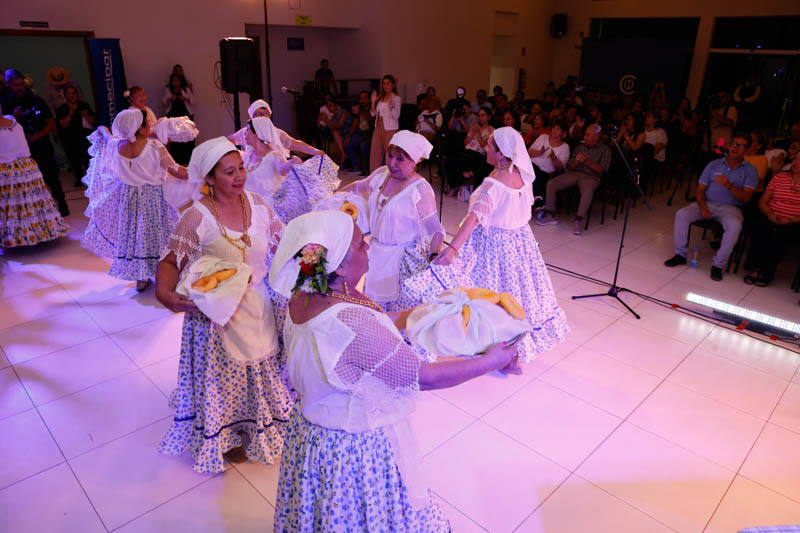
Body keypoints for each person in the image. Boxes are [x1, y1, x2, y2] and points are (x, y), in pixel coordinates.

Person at [268, 210, 521, 531]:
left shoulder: (304, 293)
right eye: (361, 244)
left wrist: (428, 313)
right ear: (340, 266)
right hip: (350, 450)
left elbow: (378, 320)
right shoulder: (351, 323)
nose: (368, 247)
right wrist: (491, 361)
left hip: (312, 437)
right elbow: (422, 377)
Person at [156, 137, 294, 474]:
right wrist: (164, 293)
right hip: (216, 315)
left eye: (241, 168)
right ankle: (227, 433)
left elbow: (285, 241)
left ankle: (259, 422)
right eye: (229, 172)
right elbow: (171, 260)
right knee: (226, 378)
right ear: (209, 179)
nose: (239, 177)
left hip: (259, 304)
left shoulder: (258, 204)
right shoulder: (197, 217)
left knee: (261, 366)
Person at [409, 127, 568, 371]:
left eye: (490, 145)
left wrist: (452, 250)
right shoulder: (524, 175)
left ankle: (491, 349)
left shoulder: (495, 182)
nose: (485, 147)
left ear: (502, 153)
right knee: (516, 295)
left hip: (493, 245)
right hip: (521, 243)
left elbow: (474, 219)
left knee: (487, 294)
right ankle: (510, 350)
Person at [338, 131, 444, 312]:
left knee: (397, 312)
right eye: (390, 156)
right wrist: (334, 196)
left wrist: (434, 260)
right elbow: (358, 186)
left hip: (403, 260)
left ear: (416, 161)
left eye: (400, 159)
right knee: (374, 307)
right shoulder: (382, 174)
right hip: (376, 253)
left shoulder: (420, 190)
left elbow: (436, 231)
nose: (392, 163)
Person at [81, 109, 186, 291]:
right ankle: (165, 275)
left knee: (138, 237)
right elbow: (176, 170)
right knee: (160, 236)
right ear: (141, 128)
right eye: (147, 124)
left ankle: (142, 276)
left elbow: (106, 135)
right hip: (154, 200)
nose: (150, 127)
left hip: (129, 200)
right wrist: (203, 171)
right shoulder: (155, 147)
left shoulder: (117, 145)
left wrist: (103, 128)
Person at [664, 131, 758, 281]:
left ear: (746, 150)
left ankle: (718, 265)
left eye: (740, 146)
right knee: (682, 214)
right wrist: (702, 206)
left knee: (735, 226)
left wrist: (729, 185)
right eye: (733, 144)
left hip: (731, 208)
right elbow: (700, 189)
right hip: (706, 202)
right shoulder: (714, 164)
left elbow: (746, 197)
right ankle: (680, 255)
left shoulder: (750, 170)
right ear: (728, 145)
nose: (735, 148)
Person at [1, 69, 69, 216]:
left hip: (41, 145)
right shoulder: (5, 102)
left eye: (21, 84)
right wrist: (14, 117)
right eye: (15, 85)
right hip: (18, 152)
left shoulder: (36, 100)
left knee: (51, 176)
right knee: (28, 182)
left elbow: (50, 123)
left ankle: (62, 203)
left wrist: (36, 137)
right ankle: (36, 211)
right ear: (8, 85)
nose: (19, 88)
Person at [0, 114, 68, 247]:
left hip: (7, 171)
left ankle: (18, 237)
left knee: (14, 205)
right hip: (26, 167)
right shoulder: (15, 123)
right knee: (31, 204)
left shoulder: (12, 123)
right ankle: (40, 233)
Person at [537, 124, 611, 235]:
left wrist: (586, 161)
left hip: (591, 177)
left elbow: (601, 170)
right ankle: (550, 214)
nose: (584, 137)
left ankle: (578, 220)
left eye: (587, 135)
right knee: (551, 183)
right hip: (574, 173)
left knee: (587, 191)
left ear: (596, 137)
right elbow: (569, 166)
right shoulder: (580, 147)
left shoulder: (605, 150)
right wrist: (576, 161)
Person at [742, 156, 800, 287]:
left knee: (781, 236)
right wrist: (770, 214)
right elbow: (763, 201)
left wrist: (790, 219)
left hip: (794, 221)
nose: (796, 163)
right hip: (771, 215)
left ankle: (766, 272)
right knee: (760, 228)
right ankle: (755, 268)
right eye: (796, 159)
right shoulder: (780, 177)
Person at [241, 117, 302, 202]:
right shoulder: (247, 156)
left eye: (248, 130)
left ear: (258, 133)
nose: (244, 133)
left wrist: (291, 163)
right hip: (248, 203)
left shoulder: (274, 155)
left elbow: (282, 169)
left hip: (267, 206)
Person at [445, 106, 494, 197]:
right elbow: (465, 142)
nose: (480, 118)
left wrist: (477, 133)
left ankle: (468, 174)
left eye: (483, 115)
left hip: (479, 155)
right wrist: (472, 132)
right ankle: (454, 186)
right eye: (479, 115)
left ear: (489, 117)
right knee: (449, 159)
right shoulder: (474, 126)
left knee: (468, 160)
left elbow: (486, 147)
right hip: (468, 151)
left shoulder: (492, 130)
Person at [56, 86, 96, 187]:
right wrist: (69, 114)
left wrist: (85, 115)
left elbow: (93, 122)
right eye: (69, 93)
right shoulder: (62, 109)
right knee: (75, 161)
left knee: (88, 159)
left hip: (85, 138)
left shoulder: (84, 105)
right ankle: (78, 179)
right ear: (65, 96)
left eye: (73, 93)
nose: (72, 95)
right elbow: (63, 124)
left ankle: (90, 179)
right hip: (70, 139)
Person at [528, 119, 570, 210]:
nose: (554, 130)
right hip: (531, 165)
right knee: (533, 169)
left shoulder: (565, 147)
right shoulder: (543, 137)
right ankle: (539, 198)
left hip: (547, 172)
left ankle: (538, 199)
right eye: (553, 128)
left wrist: (553, 158)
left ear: (563, 132)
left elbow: (560, 167)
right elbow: (529, 152)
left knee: (538, 173)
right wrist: (539, 152)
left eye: (558, 129)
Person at [369, 74, 402, 171]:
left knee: (389, 154)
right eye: (384, 83)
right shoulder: (380, 97)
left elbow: (396, 116)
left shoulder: (396, 98)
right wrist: (373, 102)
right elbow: (372, 114)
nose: (386, 86)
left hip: (390, 128)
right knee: (375, 153)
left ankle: (390, 177)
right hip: (378, 127)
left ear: (393, 85)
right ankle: (375, 178)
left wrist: (391, 107)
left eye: (388, 83)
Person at [161, 73, 195, 165]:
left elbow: (193, 101)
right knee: (175, 138)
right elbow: (164, 103)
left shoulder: (186, 89)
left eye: (177, 80)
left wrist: (184, 98)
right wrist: (170, 99)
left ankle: (188, 160)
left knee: (187, 137)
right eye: (174, 81)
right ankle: (177, 160)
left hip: (185, 115)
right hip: (173, 116)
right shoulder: (168, 90)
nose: (176, 83)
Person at [344, 90, 373, 175]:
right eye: (360, 99)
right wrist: (348, 137)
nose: (362, 101)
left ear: (369, 99)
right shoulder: (359, 109)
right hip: (361, 135)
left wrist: (360, 113)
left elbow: (370, 118)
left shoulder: (372, 108)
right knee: (349, 144)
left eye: (364, 98)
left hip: (370, 136)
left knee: (364, 145)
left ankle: (366, 169)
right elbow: (355, 123)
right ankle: (356, 167)